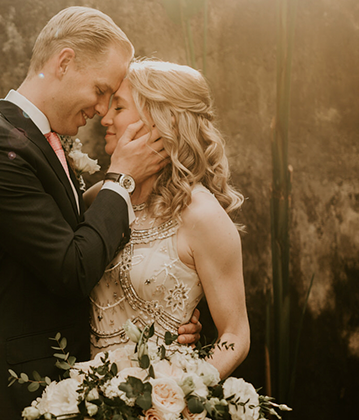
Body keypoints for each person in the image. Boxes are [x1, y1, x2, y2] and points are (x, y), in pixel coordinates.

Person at [0, 8, 201, 419]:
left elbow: (95, 251)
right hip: (14, 387)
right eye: (101, 90)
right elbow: (71, 267)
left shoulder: (47, 141)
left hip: (76, 381)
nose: (103, 112)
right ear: (63, 62)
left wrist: (166, 327)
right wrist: (122, 179)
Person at [85, 59, 250, 378]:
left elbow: (235, 336)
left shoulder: (201, 215)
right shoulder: (96, 199)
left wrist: (182, 396)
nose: (104, 117)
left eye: (118, 108)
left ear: (160, 121)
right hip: (86, 396)